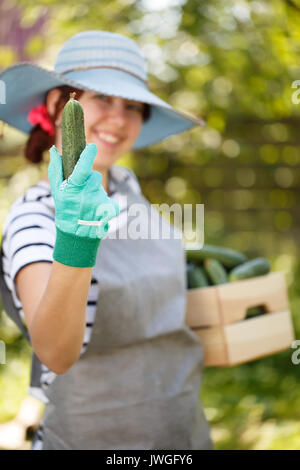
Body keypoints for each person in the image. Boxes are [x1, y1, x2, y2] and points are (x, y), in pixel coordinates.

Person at [0, 30, 213, 450]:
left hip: (180, 429)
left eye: (132, 106)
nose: (118, 119)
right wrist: (76, 237)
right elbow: (57, 353)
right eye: (101, 98)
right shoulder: (35, 217)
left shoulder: (127, 187)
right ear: (56, 107)